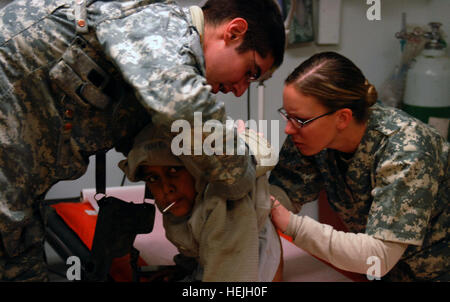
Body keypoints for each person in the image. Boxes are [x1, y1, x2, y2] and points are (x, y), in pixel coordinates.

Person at [0, 0, 285, 281]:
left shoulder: (156, 60)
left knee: (18, 256)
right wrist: (242, 170)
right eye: (251, 72)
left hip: (21, 184)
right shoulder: (157, 24)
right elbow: (184, 108)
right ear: (233, 32)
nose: (239, 91)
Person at [269, 51, 449, 281]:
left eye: (300, 120)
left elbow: (379, 256)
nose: (289, 129)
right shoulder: (310, 137)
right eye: (288, 116)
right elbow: (284, 191)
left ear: (343, 118)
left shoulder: (406, 149)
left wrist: (291, 225)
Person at [119, 124, 283, 282]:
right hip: (217, 256)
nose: (166, 188)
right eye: (153, 178)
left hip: (249, 257)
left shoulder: (225, 207)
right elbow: (193, 237)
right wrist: (185, 269)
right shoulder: (188, 200)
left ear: (196, 171)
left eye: (174, 171)